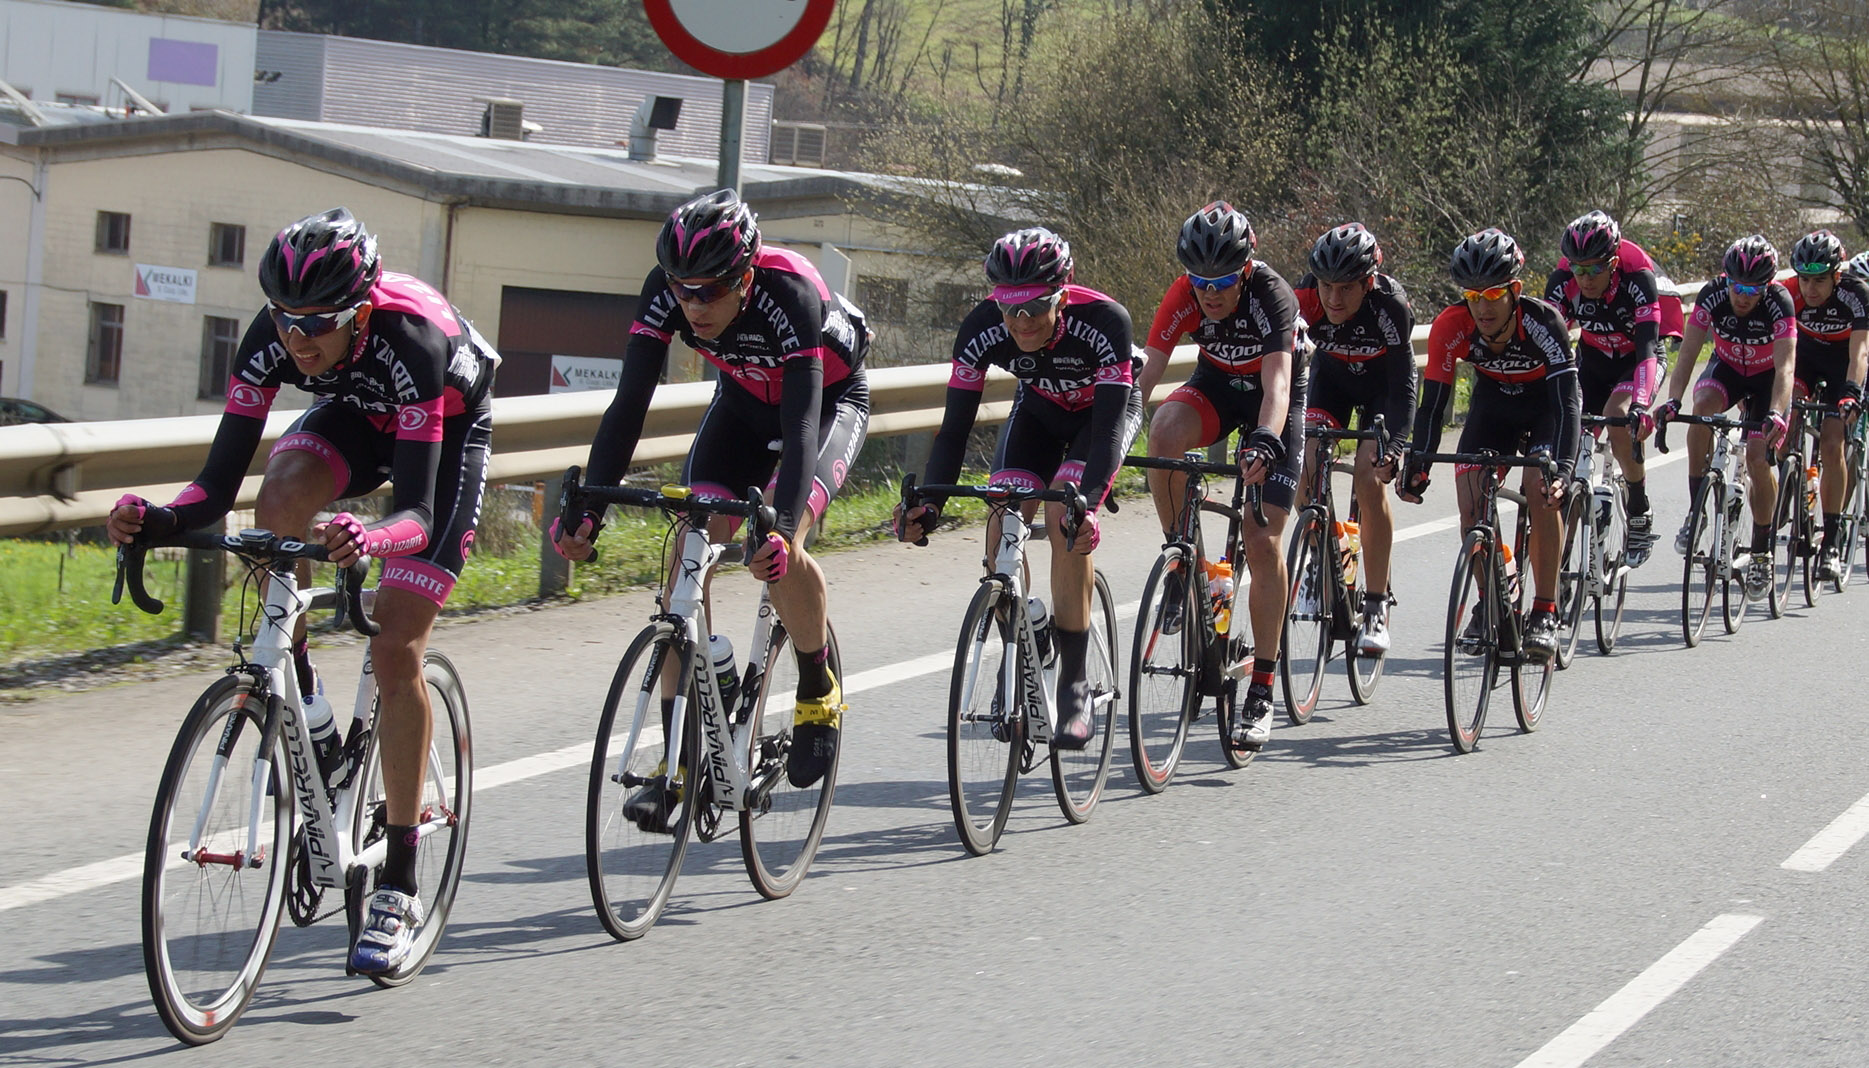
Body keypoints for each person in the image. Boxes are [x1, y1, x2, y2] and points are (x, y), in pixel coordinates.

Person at [106, 207, 499, 974]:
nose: (297, 338)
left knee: (393, 646)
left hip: (443, 439)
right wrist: (155, 518)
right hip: (356, 413)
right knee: (277, 500)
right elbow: (217, 484)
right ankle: (310, 710)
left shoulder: (410, 341)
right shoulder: (272, 337)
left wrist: (368, 538)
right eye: (286, 319)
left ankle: (400, 881)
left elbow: (416, 512)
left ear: (359, 311)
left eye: (318, 322)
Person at [556, 189, 870, 811]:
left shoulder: (791, 294)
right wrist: (591, 507)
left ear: (746, 276)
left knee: (776, 546)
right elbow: (630, 404)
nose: (692, 305)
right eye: (681, 289)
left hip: (826, 404)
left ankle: (817, 682)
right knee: (689, 542)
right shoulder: (664, 291)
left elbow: (803, 423)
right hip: (744, 407)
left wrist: (780, 527)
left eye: (709, 291)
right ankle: (676, 761)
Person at [895, 226, 1140, 748]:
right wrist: (931, 505)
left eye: (1033, 308)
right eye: (1008, 309)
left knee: (1063, 519)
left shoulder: (1105, 322)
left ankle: (1074, 681)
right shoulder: (983, 327)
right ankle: (1026, 621)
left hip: (1099, 421)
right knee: (1001, 508)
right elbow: (955, 427)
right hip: (1039, 414)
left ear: (1063, 294)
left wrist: (1090, 504)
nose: (1019, 322)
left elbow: (1111, 428)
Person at [1135, 201, 1305, 749]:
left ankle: (1262, 685)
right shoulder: (1183, 295)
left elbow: (1277, 386)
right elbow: (1145, 377)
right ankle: (1185, 561)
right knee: (1163, 433)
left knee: (1260, 535)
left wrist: (1265, 439)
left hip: (1275, 401)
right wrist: (1108, 440)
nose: (1210, 292)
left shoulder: (1272, 296)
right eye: (1200, 280)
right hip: (1216, 385)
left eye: (1224, 280)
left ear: (1247, 269)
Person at [1402, 228, 1580, 663]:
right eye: (1472, 294)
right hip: (1493, 408)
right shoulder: (1452, 325)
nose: (1481, 306)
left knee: (1541, 489)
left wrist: (1565, 469)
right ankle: (1491, 599)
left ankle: (1545, 610)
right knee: (1470, 503)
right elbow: (1433, 406)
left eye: (1493, 293)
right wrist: (1418, 462)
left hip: (1545, 410)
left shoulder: (1543, 322)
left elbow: (1568, 403)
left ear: (1515, 291)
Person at [1293, 222, 1415, 653]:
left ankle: (1377, 601)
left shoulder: (1390, 307)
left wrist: (1395, 446)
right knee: (1302, 465)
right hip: (1332, 384)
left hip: (1381, 393)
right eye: (1326, 286)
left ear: (1368, 282)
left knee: (1367, 477)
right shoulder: (1304, 300)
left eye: (1345, 288)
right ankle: (1320, 557)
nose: (1333, 299)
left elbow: (1403, 389)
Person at [1654, 235, 1795, 600]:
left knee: (1756, 457)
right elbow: (1686, 354)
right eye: (1737, 286)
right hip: (1728, 368)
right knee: (1701, 407)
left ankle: (1762, 549)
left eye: (1753, 288)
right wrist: (1672, 401)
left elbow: (1786, 367)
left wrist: (1778, 413)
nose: (1744, 295)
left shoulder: (1780, 303)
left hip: (1767, 381)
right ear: (1726, 278)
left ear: (1767, 286)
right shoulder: (1713, 295)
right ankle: (1696, 510)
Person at [1543, 210, 1665, 567]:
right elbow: (1547, 342)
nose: (1586, 278)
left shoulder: (1638, 280)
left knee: (1616, 416)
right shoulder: (1562, 281)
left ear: (1612, 262)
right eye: (1579, 269)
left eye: (1595, 269)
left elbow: (1647, 349)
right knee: (1569, 434)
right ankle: (1559, 560)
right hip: (1593, 360)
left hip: (1636, 361)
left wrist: (1641, 404)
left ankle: (1639, 506)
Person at [1781, 229, 1868, 581]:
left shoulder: (1857, 294)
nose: (1810, 288)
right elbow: (1780, 351)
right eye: (1805, 279)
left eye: (1819, 280)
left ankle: (1830, 541)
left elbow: (1861, 352)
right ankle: (1794, 481)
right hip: (1805, 357)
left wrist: (1850, 391)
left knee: (1833, 444)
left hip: (1843, 364)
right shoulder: (1787, 293)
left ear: (1836, 275)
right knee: (1786, 419)